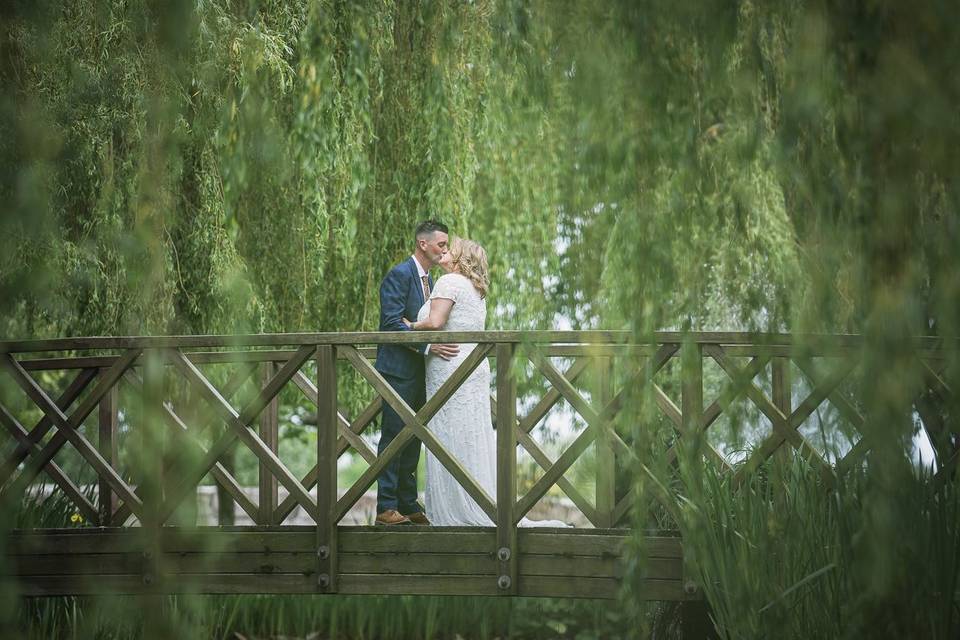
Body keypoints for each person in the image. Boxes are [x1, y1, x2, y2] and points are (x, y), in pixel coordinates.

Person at [404, 238, 569, 528]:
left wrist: (407, 326)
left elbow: (435, 322)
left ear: (461, 258)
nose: (444, 251)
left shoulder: (449, 282)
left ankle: (455, 513)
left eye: (449, 248)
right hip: (472, 368)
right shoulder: (476, 290)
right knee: (470, 439)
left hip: (449, 368)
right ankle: (480, 504)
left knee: (449, 438)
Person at [374, 220, 460, 526]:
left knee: (413, 439)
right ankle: (385, 507)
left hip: (420, 372)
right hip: (398, 370)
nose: (445, 250)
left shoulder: (432, 280)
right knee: (393, 437)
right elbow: (392, 324)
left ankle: (407, 504)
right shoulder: (399, 274)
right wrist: (428, 348)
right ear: (423, 244)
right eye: (441, 245)